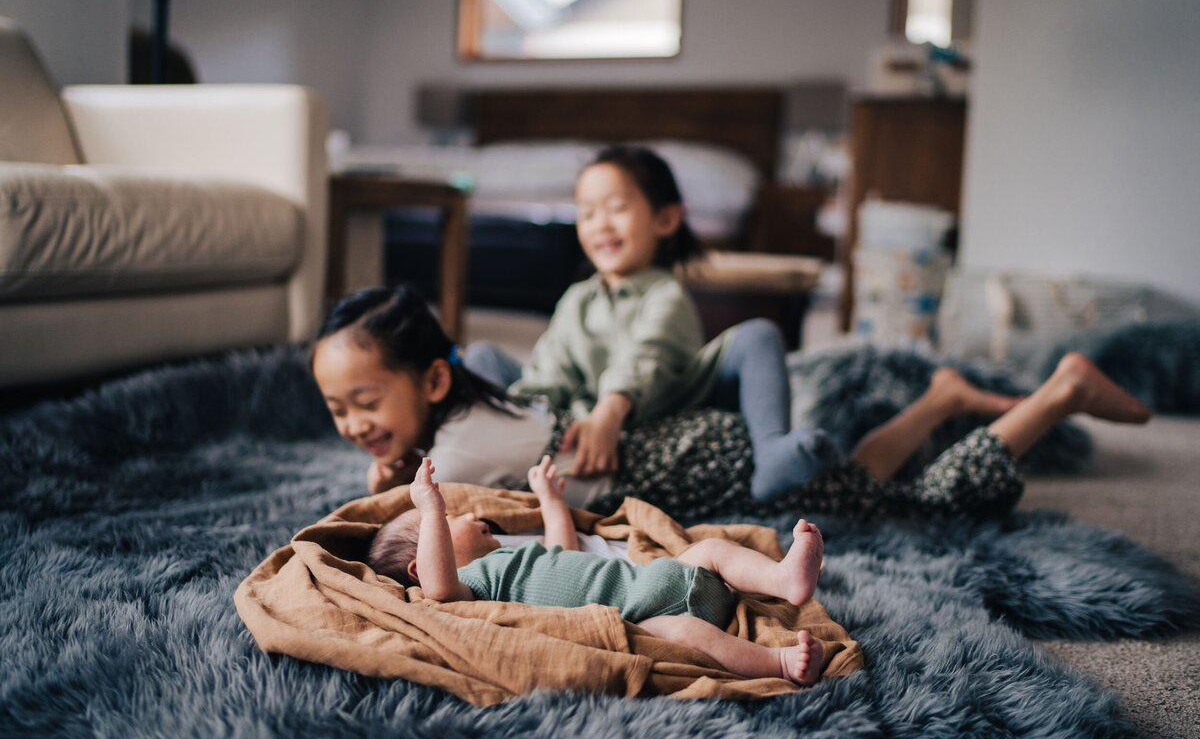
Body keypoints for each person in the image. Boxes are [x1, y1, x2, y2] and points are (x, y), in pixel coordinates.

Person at [310, 284, 1152, 526]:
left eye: (365, 401)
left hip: (707, 473)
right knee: (855, 483)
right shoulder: (473, 407)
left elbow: (396, 533)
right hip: (687, 444)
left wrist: (386, 480)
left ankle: (1057, 392)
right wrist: (392, 449)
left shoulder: (453, 455)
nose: (353, 424)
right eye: (337, 409)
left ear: (431, 382)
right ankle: (940, 399)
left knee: (923, 510)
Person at [463, 145, 833, 501]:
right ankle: (474, 441)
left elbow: (648, 355)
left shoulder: (665, 292)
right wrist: (525, 412)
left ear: (666, 219)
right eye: (587, 213)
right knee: (482, 359)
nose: (600, 225)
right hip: (587, 410)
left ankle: (771, 453)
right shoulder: (578, 299)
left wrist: (609, 411)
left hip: (673, 400)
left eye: (617, 208)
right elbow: (552, 367)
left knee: (759, 335)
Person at [368, 455, 827, 686]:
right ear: (422, 563)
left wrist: (550, 500)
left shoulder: (510, 558)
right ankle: (779, 662)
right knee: (687, 636)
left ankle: (782, 579)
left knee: (710, 548)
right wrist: (430, 511)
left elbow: (561, 549)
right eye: (451, 523)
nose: (468, 516)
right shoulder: (471, 587)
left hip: (659, 576)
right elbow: (439, 589)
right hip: (644, 615)